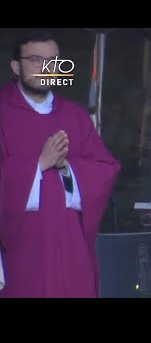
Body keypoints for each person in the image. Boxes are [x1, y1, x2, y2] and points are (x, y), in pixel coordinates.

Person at [0, 30, 120, 298]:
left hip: (70, 249)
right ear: (15, 66)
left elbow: (105, 168)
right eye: (35, 60)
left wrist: (68, 168)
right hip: (22, 252)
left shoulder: (75, 116)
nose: (45, 68)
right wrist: (38, 164)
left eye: (52, 61)